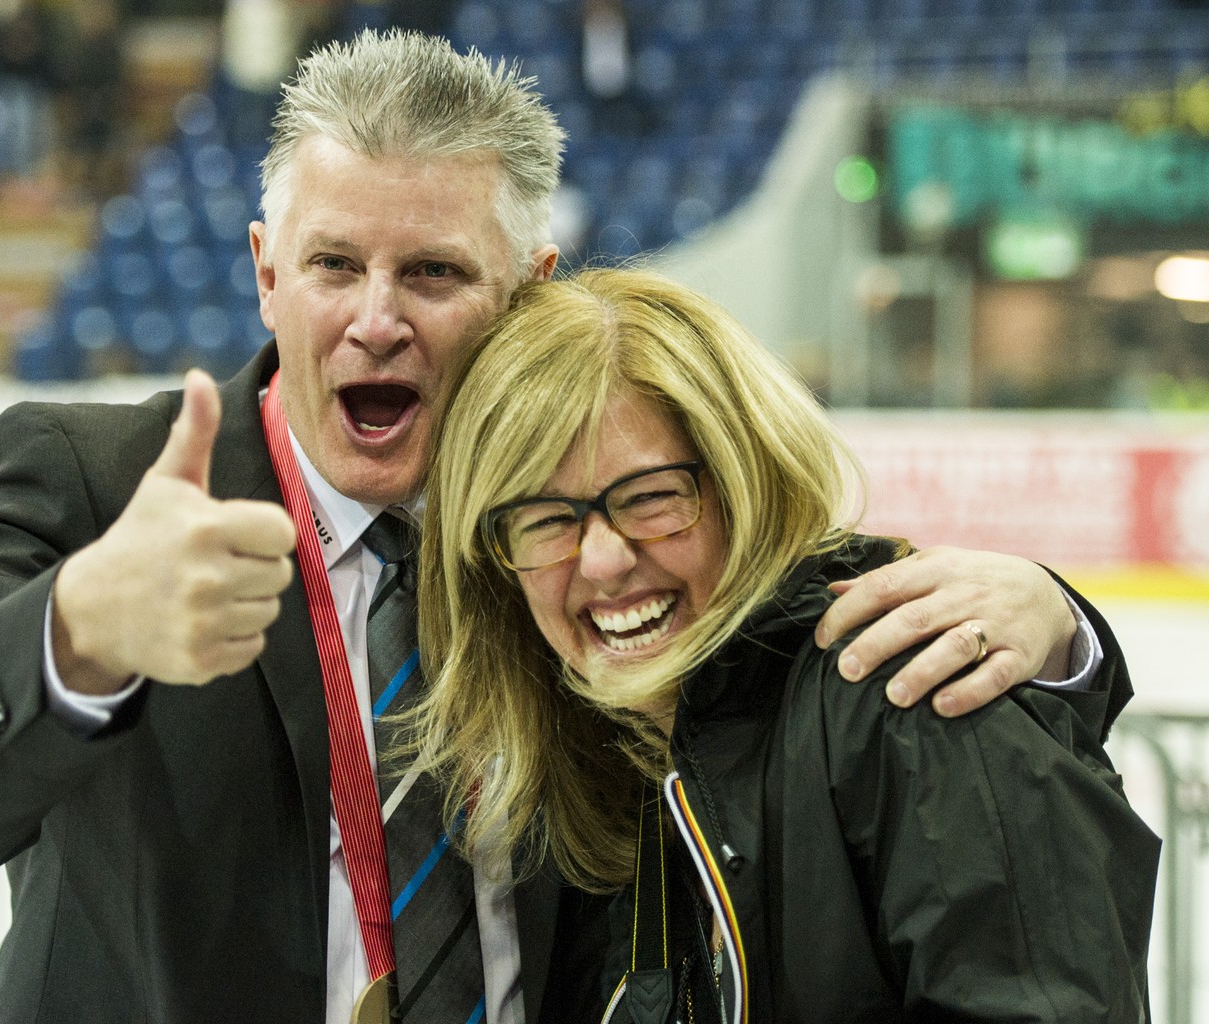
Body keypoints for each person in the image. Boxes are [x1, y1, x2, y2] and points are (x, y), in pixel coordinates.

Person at [0, 30, 1117, 1024]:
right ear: (265, 268)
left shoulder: (573, 550)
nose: (378, 318)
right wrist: (80, 630)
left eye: (436, 273)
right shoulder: (96, 478)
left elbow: (794, 683)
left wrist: (1063, 634)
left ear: (529, 291)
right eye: (335, 264)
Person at [414, 267, 1157, 1023]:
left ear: (747, 481)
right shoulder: (610, 763)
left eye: (652, 499)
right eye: (545, 518)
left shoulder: (917, 699)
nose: (601, 560)